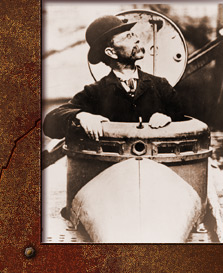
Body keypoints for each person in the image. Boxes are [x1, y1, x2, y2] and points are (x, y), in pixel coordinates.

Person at [43, 15, 184, 220]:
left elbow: (187, 118)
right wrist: (82, 116)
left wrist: (168, 118)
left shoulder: (160, 85)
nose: (136, 38)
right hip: (110, 190)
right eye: (127, 37)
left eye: (134, 34)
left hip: (158, 187)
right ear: (111, 52)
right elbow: (51, 122)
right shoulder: (95, 92)